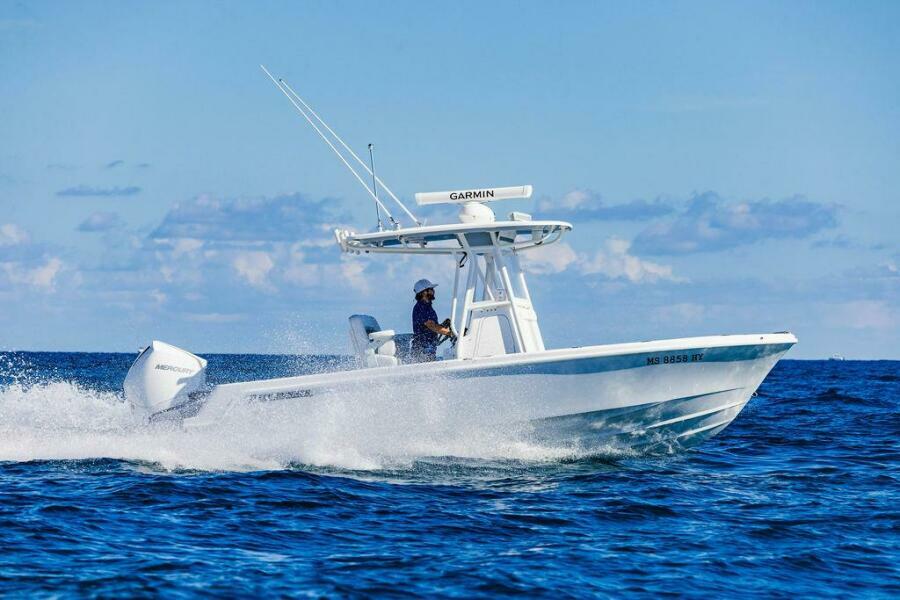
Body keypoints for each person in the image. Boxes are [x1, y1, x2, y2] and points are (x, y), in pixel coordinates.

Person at [411, 278, 454, 362]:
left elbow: (433, 326)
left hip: (428, 348)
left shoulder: (428, 306)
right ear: (423, 292)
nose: (433, 291)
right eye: (431, 289)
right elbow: (431, 326)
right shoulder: (421, 307)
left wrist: (443, 326)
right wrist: (450, 333)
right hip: (422, 349)